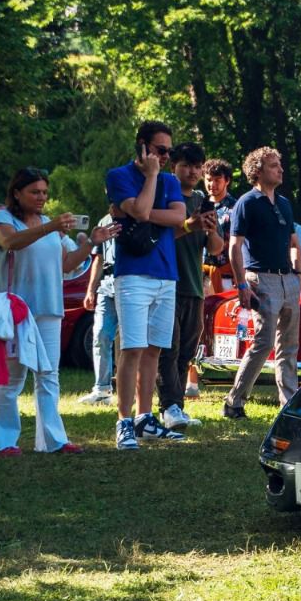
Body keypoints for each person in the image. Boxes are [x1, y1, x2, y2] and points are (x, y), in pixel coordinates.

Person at [0, 169, 116, 455]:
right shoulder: (4, 219)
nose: (41, 197)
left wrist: (92, 242)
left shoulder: (48, 224)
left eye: (44, 192)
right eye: (34, 192)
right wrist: (51, 227)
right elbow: (11, 242)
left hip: (49, 309)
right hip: (15, 311)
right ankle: (4, 442)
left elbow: (67, 264)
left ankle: (53, 441)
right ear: (17, 193)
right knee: (12, 378)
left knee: (48, 375)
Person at [106, 121, 188, 449]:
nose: (165, 156)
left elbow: (178, 217)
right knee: (132, 348)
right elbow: (140, 211)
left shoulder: (171, 180)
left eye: (169, 151)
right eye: (160, 150)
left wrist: (138, 212)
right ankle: (124, 422)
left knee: (154, 349)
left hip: (166, 275)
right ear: (142, 145)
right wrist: (151, 177)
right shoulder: (119, 176)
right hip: (133, 275)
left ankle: (144, 418)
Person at [223, 147, 301, 418]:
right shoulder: (246, 203)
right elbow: (234, 246)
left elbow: (294, 242)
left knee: (289, 346)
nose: (280, 169)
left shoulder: (284, 203)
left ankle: (288, 405)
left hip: (288, 279)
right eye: (273, 165)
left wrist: (298, 273)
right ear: (257, 171)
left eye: (279, 164)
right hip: (261, 278)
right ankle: (234, 401)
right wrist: (241, 285)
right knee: (264, 342)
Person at [156, 143, 223, 430]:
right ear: (174, 167)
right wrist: (188, 224)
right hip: (166, 284)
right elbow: (156, 238)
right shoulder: (164, 196)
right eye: (186, 166)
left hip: (195, 286)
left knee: (186, 351)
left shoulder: (201, 200)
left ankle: (177, 407)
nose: (193, 172)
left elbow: (216, 248)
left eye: (197, 167)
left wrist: (210, 228)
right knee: (167, 350)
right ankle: (167, 407)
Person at [80, 212, 118, 405]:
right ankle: (102, 389)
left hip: (131, 285)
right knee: (101, 334)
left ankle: (134, 389)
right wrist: (90, 290)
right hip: (107, 284)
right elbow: (99, 258)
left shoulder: (139, 213)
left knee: (131, 342)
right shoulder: (104, 221)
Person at [203, 157, 237, 293]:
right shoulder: (199, 204)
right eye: (209, 180)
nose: (212, 184)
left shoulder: (236, 208)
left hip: (227, 276)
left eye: (217, 180)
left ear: (227, 181)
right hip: (200, 274)